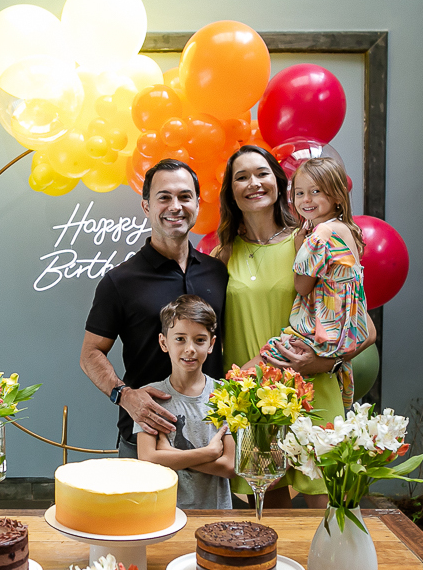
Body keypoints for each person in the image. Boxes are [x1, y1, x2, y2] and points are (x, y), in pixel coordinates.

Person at [212, 145, 377, 510]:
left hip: (313, 391)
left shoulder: (308, 241)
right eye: (242, 176)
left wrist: (320, 364)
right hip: (257, 404)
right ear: (231, 191)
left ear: (278, 183)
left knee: (334, 515)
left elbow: (365, 329)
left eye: (262, 173)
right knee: (270, 522)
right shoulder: (221, 256)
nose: (253, 183)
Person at [80, 160, 229, 458]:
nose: (176, 206)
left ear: (198, 205)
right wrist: (124, 395)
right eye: (164, 197)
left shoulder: (217, 272)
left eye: (185, 197)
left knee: (215, 509)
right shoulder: (119, 281)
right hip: (145, 437)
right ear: (146, 206)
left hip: (211, 436)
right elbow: (90, 354)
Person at [260, 157, 373, 409]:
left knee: (267, 358)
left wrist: (299, 247)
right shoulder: (345, 229)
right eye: (299, 193)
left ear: (336, 196)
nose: (306, 200)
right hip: (349, 329)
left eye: (315, 191)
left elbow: (302, 286)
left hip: (325, 331)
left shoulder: (320, 235)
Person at [133, 295, 235, 510]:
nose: (190, 349)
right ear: (164, 342)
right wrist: (208, 453)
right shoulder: (151, 397)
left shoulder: (225, 394)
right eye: (180, 339)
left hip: (215, 512)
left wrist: (169, 455)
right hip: (164, 511)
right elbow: (148, 459)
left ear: (211, 344)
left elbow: (229, 466)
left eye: (199, 340)